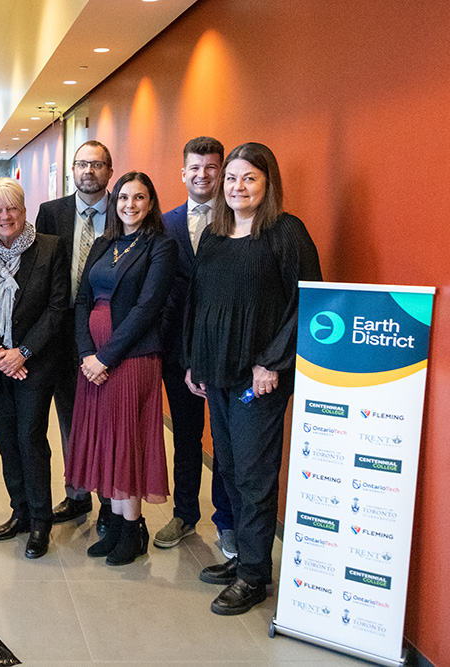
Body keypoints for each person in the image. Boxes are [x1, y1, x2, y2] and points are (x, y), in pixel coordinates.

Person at [182, 142, 321, 615]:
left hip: (258, 379)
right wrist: (194, 362)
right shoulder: (216, 236)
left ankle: (255, 576)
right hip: (216, 374)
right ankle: (242, 556)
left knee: (256, 476)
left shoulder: (285, 233)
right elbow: (199, 304)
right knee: (230, 469)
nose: (238, 187)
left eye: (249, 179)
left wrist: (271, 362)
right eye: (232, 179)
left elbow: (307, 302)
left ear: (268, 184)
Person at [66, 171, 176, 566]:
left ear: (151, 203)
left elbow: (147, 309)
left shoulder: (160, 247)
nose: (130, 205)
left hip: (130, 358)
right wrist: (84, 353)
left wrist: (104, 357)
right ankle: (114, 524)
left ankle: (133, 530)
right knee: (105, 439)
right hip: (92, 359)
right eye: (124, 197)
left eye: (139, 198)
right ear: (114, 203)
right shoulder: (102, 243)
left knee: (126, 441)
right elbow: (81, 301)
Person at [0, 178, 68, 559]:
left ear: (25, 210)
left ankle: (41, 520)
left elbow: (58, 308)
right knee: (7, 441)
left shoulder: (49, 248)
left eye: (12, 208)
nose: (5, 216)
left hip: (35, 365)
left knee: (30, 438)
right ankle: (20, 512)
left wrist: (23, 352)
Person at [154, 137, 235, 555]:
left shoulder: (240, 221)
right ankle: (185, 514)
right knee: (185, 437)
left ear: (222, 172)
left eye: (211, 167)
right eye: (195, 168)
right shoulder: (165, 223)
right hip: (176, 350)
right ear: (183, 172)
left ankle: (227, 520)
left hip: (225, 351)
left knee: (223, 439)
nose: (203, 175)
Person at [34, 140, 114, 533]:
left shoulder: (125, 209)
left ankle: (109, 502)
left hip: (108, 330)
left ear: (109, 172)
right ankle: (78, 492)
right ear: (72, 171)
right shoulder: (52, 213)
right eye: (82, 164)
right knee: (70, 414)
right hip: (61, 328)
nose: (88, 171)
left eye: (97, 165)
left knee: (106, 417)